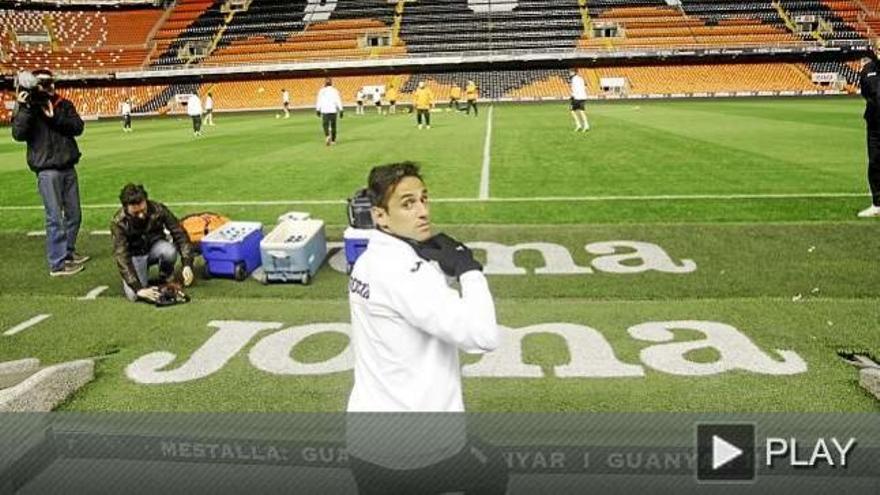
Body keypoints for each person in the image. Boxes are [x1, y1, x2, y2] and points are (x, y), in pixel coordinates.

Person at [346, 162, 505, 493]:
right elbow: (483, 336)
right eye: (407, 203)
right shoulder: (407, 273)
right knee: (491, 471)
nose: (422, 211)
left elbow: (415, 308)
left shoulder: (367, 261)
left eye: (423, 199)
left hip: (367, 441)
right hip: (417, 450)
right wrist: (468, 268)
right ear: (380, 216)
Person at [11, 68, 89, 277]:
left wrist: (54, 117)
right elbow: (18, 134)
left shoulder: (62, 104)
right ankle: (57, 263)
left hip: (68, 166)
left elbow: (78, 127)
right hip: (47, 170)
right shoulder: (27, 106)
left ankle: (68, 252)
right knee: (54, 217)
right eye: (43, 83)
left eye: (50, 82)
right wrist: (25, 107)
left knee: (74, 215)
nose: (49, 87)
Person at [111, 184, 195, 303]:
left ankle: (165, 276)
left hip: (155, 248)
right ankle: (135, 278)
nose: (141, 215)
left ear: (146, 201)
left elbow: (179, 233)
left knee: (169, 250)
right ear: (126, 207)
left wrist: (187, 264)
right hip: (135, 256)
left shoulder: (159, 209)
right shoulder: (118, 223)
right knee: (134, 296)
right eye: (136, 213)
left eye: (143, 210)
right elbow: (121, 257)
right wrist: (137, 287)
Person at [858, 52, 880, 217]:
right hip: (874, 123)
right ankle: (877, 204)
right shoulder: (868, 70)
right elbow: (866, 93)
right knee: (875, 162)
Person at [316, 78, 344, 146]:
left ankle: (327, 136)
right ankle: (333, 140)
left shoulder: (322, 91)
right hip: (333, 110)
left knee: (325, 124)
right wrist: (341, 110)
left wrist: (318, 110)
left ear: (325, 83)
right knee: (333, 125)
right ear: (331, 83)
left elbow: (319, 100)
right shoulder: (335, 91)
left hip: (324, 110)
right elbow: (338, 100)